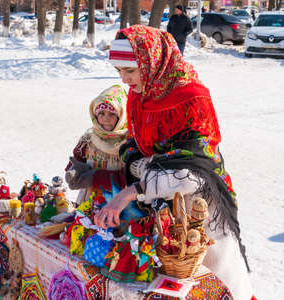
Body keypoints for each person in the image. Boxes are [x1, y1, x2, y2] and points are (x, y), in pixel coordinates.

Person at [94, 25, 254, 300]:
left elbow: (197, 169)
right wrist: (139, 166)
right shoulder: (140, 94)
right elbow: (133, 144)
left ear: (152, 61)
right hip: (162, 207)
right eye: (119, 71)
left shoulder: (192, 97)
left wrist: (134, 189)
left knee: (213, 282)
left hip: (201, 212)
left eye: (130, 71)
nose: (124, 79)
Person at [65, 85, 128, 206]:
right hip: (89, 199)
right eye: (102, 114)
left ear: (121, 116)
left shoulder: (128, 143)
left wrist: (94, 178)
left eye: (112, 114)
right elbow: (77, 159)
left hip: (117, 203)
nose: (106, 119)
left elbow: (126, 178)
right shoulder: (88, 139)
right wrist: (73, 171)